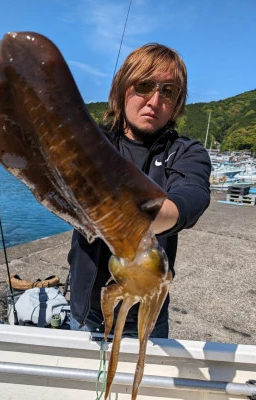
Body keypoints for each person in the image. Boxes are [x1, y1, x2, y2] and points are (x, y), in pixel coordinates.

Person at [67, 43, 211, 338]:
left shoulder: (186, 152)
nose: (154, 100)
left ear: (177, 102)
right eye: (144, 86)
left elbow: (190, 197)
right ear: (123, 88)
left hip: (149, 315)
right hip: (84, 311)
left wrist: (150, 215)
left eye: (168, 91)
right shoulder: (94, 143)